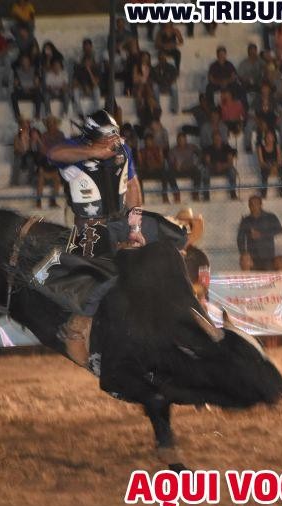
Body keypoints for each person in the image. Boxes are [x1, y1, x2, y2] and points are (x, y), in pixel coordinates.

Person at [45, 110, 145, 366]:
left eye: (114, 137)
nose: (112, 143)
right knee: (101, 276)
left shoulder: (123, 150)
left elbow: (132, 185)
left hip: (120, 223)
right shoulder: (74, 149)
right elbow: (53, 154)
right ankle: (77, 329)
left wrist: (135, 227)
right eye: (106, 140)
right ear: (91, 138)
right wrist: (93, 154)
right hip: (88, 229)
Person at [236, 195, 282, 271]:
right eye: (251, 204)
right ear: (248, 206)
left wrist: (262, 234)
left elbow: (279, 230)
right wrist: (244, 253)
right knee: (254, 278)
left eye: (256, 203)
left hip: (268, 255)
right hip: (252, 256)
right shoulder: (246, 220)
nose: (254, 206)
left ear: (261, 204)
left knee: (268, 278)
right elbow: (240, 238)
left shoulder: (270, 217)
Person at [139, 133, 178, 203]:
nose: (148, 143)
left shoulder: (158, 149)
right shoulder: (141, 151)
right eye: (147, 141)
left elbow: (162, 164)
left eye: (150, 141)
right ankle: (141, 197)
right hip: (146, 171)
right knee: (137, 175)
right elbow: (140, 164)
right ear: (145, 142)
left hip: (157, 171)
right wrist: (147, 166)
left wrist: (154, 166)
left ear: (153, 141)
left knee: (166, 172)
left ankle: (165, 195)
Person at [203, 131, 238, 200]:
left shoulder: (227, 147)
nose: (217, 140)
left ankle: (233, 193)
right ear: (212, 139)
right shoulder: (208, 148)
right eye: (215, 139)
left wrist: (222, 166)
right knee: (205, 171)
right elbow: (207, 162)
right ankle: (206, 195)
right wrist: (215, 166)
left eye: (218, 139)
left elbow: (230, 162)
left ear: (221, 139)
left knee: (232, 171)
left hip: (225, 168)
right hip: (213, 168)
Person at [72, 39, 102, 118]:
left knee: (97, 90)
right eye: (85, 48)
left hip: (92, 90)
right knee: (75, 90)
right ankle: (79, 112)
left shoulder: (96, 67)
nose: (87, 50)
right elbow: (75, 82)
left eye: (88, 48)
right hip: (83, 90)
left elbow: (95, 83)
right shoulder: (80, 67)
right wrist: (84, 87)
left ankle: (95, 112)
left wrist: (89, 71)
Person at [168, 133, 202, 201]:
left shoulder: (191, 147)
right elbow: (170, 162)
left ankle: (195, 192)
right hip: (179, 170)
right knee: (169, 173)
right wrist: (175, 165)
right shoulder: (173, 150)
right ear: (177, 140)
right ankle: (176, 193)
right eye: (180, 140)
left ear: (186, 140)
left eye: (183, 140)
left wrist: (197, 162)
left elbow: (200, 153)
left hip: (189, 168)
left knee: (197, 172)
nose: (181, 141)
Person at [11, 54, 42, 120]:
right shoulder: (17, 71)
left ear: (29, 62)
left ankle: (37, 114)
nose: (25, 63)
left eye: (26, 61)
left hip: (32, 91)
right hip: (22, 91)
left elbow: (38, 85)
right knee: (13, 95)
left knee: (38, 93)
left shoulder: (34, 70)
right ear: (21, 62)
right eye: (23, 61)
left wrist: (31, 89)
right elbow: (15, 85)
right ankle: (18, 115)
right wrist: (22, 88)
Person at [257, 130, 282, 198]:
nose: (269, 139)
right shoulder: (260, 148)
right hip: (266, 166)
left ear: (274, 138)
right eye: (267, 137)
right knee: (264, 173)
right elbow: (261, 162)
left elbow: (280, 161)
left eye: (270, 137)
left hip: (276, 166)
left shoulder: (277, 146)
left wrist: (275, 166)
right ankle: (263, 194)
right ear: (265, 138)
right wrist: (270, 166)